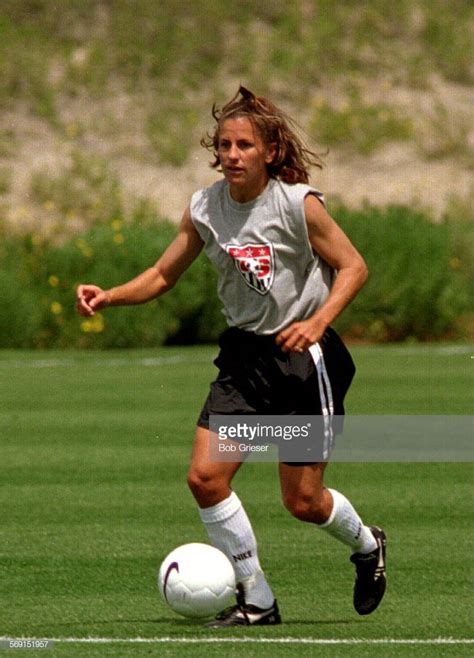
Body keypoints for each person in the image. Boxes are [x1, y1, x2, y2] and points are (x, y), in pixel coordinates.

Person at [76, 86, 386, 627]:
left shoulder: (297, 204)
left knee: (303, 502)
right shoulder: (205, 207)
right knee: (206, 478)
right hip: (244, 362)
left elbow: (354, 266)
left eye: (244, 144)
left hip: (304, 362)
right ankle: (258, 598)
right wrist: (110, 295)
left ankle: (367, 544)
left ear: (269, 152)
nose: (233, 154)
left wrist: (316, 323)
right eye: (224, 145)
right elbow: (161, 274)